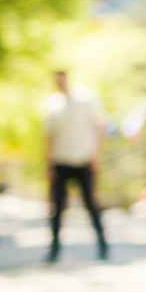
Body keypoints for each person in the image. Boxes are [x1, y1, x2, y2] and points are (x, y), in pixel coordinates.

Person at [44, 70, 109, 262]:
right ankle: (54, 249)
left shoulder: (87, 99)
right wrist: (48, 164)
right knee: (57, 207)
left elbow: (100, 126)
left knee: (91, 204)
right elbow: (48, 136)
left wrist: (96, 155)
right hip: (61, 161)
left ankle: (103, 245)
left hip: (84, 160)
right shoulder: (52, 104)